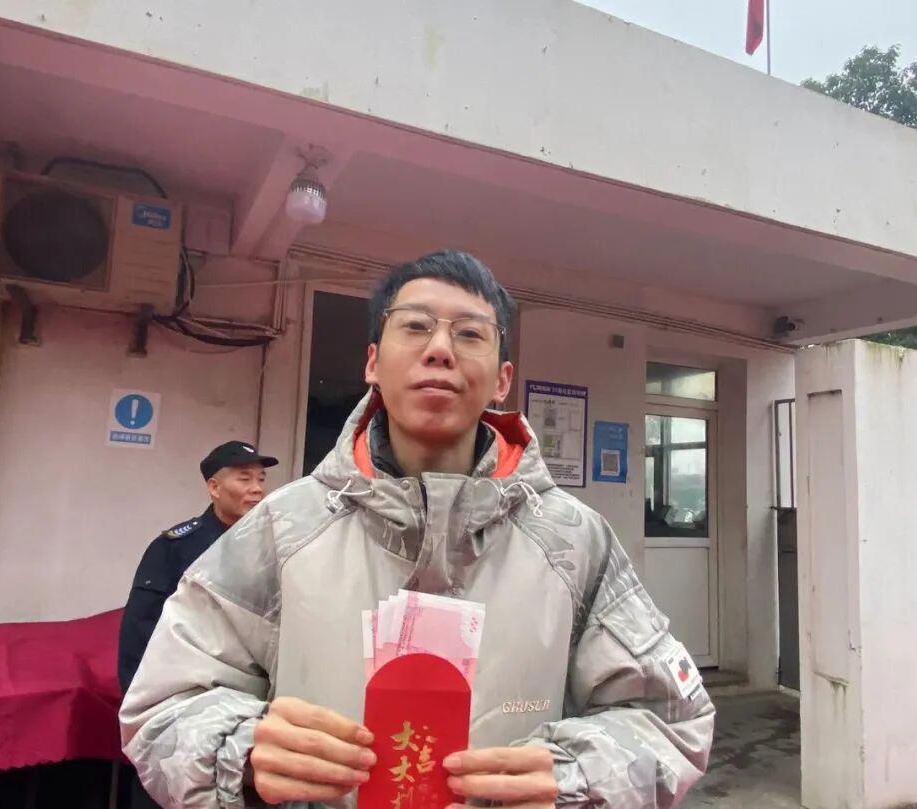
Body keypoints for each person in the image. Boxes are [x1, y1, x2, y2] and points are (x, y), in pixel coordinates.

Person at [120, 250, 715, 809]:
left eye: (470, 333)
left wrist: (576, 777)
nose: (440, 349)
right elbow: (160, 707)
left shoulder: (574, 540)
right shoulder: (282, 529)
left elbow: (673, 720)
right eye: (415, 326)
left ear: (502, 378)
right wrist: (241, 751)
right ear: (373, 362)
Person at [117, 440, 277, 808]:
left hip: (251, 714)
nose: (257, 489)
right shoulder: (174, 548)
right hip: (185, 711)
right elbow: (140, 638)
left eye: (260, 479)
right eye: (244, 479)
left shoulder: (274, 547)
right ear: (214, 487)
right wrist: (147, 719)